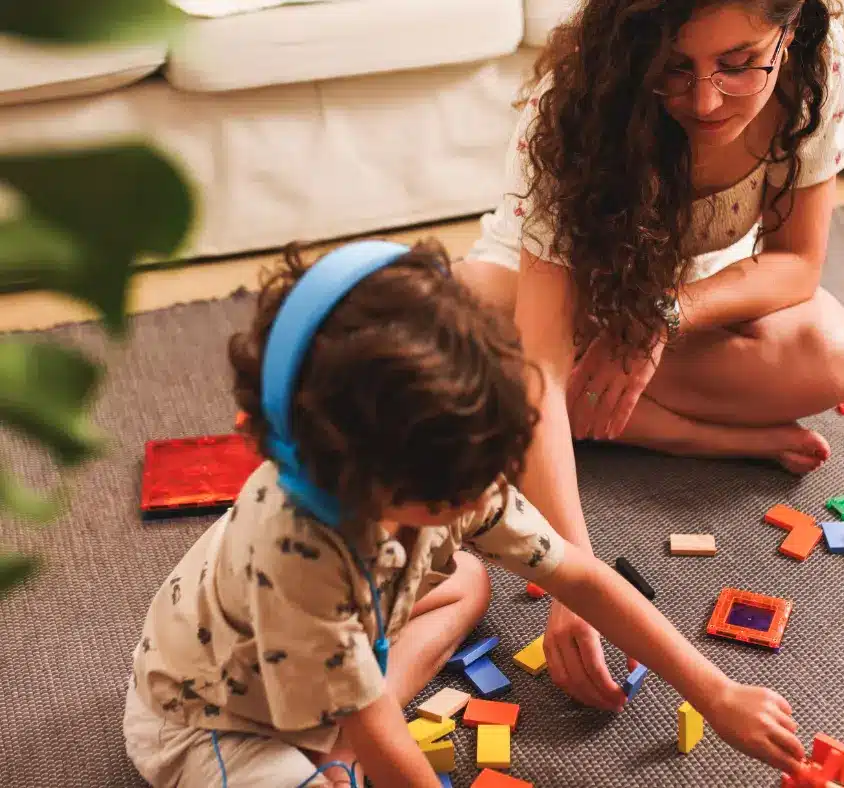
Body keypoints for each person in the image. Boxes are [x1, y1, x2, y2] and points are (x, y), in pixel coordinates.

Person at [121, 239, 807, 788]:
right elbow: (380, 738)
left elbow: (586, 579)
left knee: (467, 579)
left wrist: (716, 693)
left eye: (492, 477)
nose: (483, 501)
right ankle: (331, 747)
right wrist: (367, 747)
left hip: (325, 647)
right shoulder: (298, 550)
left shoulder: (451, 466)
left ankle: (340, 734)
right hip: (217, 717)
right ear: (344, 473)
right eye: (454, 498)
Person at [454, 0, 844, 713]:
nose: (705, 100)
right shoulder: (576, 102)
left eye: (738, 66)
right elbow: (542, 367)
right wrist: (574, 578)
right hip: (547, 292)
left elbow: (796, 264)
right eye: (673, 70)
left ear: (789, 29)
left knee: (831, 356)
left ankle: (582, 418)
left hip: (681, 296)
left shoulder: (815, 70)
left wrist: (657, 317)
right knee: (470, 323)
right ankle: (683, 431)